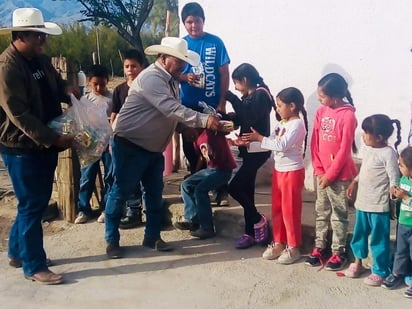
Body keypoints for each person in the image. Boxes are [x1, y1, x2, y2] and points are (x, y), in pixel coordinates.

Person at [104, 37, 221, 259]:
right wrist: (203, 120)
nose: (182, 66)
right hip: (130, 144)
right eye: (178, 61)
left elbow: (167, 113)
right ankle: (112, 240)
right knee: (121, 191)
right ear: (164, 58)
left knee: (154, 193)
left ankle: (152, 236)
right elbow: (170, 108)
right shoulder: (152, 78)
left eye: (183, 61)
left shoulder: (170, 80)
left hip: (152, 148)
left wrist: (181, 128)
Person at [0, 8, 74, 284]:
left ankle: (18, 251)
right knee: (33, 205)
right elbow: (19, 114)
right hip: (21, 147)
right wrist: (52, 138)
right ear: (22, 35)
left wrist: (68, 89)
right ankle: (34, 265)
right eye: (38, 35)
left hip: (42, 144)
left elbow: (56, 83)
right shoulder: (8, 67)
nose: (43, 40)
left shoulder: (39, 60)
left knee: (31, 202)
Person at [242, 87, 308, 264]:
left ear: (292, 106)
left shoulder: (297, 124)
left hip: (292, 171)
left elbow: (282, 145)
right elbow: (270, 143)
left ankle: (293, 246)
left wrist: (259, 138)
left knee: (290, 210)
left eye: (279, 105)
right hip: (279, 171)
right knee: (277, 209)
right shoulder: (282, 123)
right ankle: (279, 242)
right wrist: (247, 144)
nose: (277, 109)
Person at [179, 2, 231, 206]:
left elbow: (224, 73)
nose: (194, 26)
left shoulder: (215, 42)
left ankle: (221, 191)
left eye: (197, 21)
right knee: (191, 148)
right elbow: (172, 73)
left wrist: (222, 101)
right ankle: (198, 187)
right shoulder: (180, 46)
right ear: (184, 23)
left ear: (203, 21)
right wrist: (186, 78)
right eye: (189, 22)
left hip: (211, 106)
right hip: (188, 107)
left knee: (215, 148)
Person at [306, 73, 358, 271]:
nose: (319, 99)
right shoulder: (321, 111)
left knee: (338, 214)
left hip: (339, 177)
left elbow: (344, 150)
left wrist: (330, 175)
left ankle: (338, 252)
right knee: (321, 212)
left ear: (335, 96)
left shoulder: (348, 116)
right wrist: (319, 169)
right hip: (322, 175)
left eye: (322, 96)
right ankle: (320, 246)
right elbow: (315, 142)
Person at [343, 114, 401, 285]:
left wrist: (393, 191)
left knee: (378, 238)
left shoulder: (388, 153)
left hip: (378, 206)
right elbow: (365, 170)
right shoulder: (368, 149)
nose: (363, 136)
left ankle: (380, 270)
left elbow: (393, 176)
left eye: (366, 133)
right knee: (359, 234)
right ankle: (358, 262)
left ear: (379, 137)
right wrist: (354, 182)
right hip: (362, 203)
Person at [224, 63, 273, 249]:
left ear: (244, 80)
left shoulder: (261, 94)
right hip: (249, 150)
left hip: (258, 151)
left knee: (234, 188)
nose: (235, 87)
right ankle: (250, 232)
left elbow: (250, 117)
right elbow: (243, 117)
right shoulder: (251, 96)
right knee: (247, 191)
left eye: (236, 83)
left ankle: (257, 218)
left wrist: (231, 98)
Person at [173, 128, 236, 239]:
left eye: (186, 133)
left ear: (191, 126)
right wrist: (195, 174)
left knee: (200, 190)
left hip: (223, 169)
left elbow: (224, 126)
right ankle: (192, 219)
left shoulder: (210, 132)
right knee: (186, 184)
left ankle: (207, 228)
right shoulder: (196, 140)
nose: (188, 138)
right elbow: (202, 157)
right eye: (185, 137)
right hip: (210, 170)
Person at [110, 49, 146, 229]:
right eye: (127, 66)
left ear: (142, 67)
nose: (130, 69)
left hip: (145, 140)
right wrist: (112, 135)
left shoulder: (147, 88)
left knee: (146, 178)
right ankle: (133, 211)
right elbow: (114, 114)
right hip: (124, 141)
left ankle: (151, 212)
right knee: (126, 177)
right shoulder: (119, 90)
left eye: (134, 66)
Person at [74, 64, 113, 224]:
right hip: (90, 143)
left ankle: (106, 208)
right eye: (95, 84)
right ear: (89, 81)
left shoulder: (112, 99)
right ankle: (83, 209)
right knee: (87, 177)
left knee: (110, 176)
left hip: (108, 143)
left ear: (107, 82)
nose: (98, 87)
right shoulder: (85, 100)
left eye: (102, 84)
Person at [381, 146, 412, 298]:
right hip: (403, 223)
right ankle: (397, 273)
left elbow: (406, 199)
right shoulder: (404, 179)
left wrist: (406, 197)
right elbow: (399, 201)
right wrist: (394, 195)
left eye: (401, 165)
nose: (398, 167)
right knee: (401, 250)